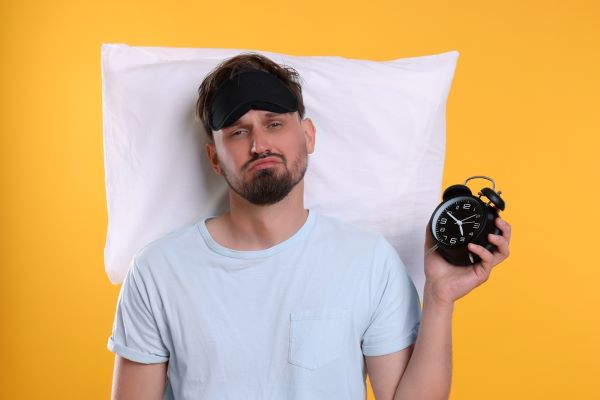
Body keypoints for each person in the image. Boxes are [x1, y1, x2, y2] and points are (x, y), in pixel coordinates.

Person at [107, 53, 512, 400]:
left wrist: (440, 299)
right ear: (215, 158)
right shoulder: (158, 271)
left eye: (274, 123)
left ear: (308, 135)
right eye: (238, 131)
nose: (259, 143)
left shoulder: (368, 262)